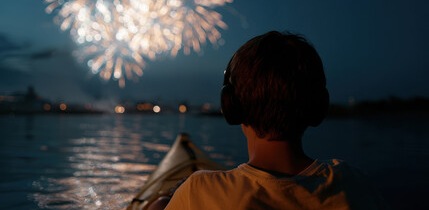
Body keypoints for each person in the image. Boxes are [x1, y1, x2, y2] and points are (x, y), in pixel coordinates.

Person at [164, 31, 387, 209]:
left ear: (231, 106)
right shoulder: (355, 184)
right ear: (318, 106)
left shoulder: (199, 190)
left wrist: (170, 198)